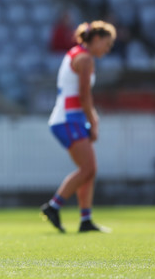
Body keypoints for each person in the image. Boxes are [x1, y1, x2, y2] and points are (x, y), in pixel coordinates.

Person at [41, 21, 117, 233]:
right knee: (88, 169)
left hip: (69, 118)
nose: (107, 49)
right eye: (107, 44)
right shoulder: (85, 59)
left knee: (88, 171)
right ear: (97, 39)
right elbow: (84, 96)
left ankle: (85, 219)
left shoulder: (77, 54)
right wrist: (94, 121)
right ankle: (54, 206)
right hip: (68, 119)